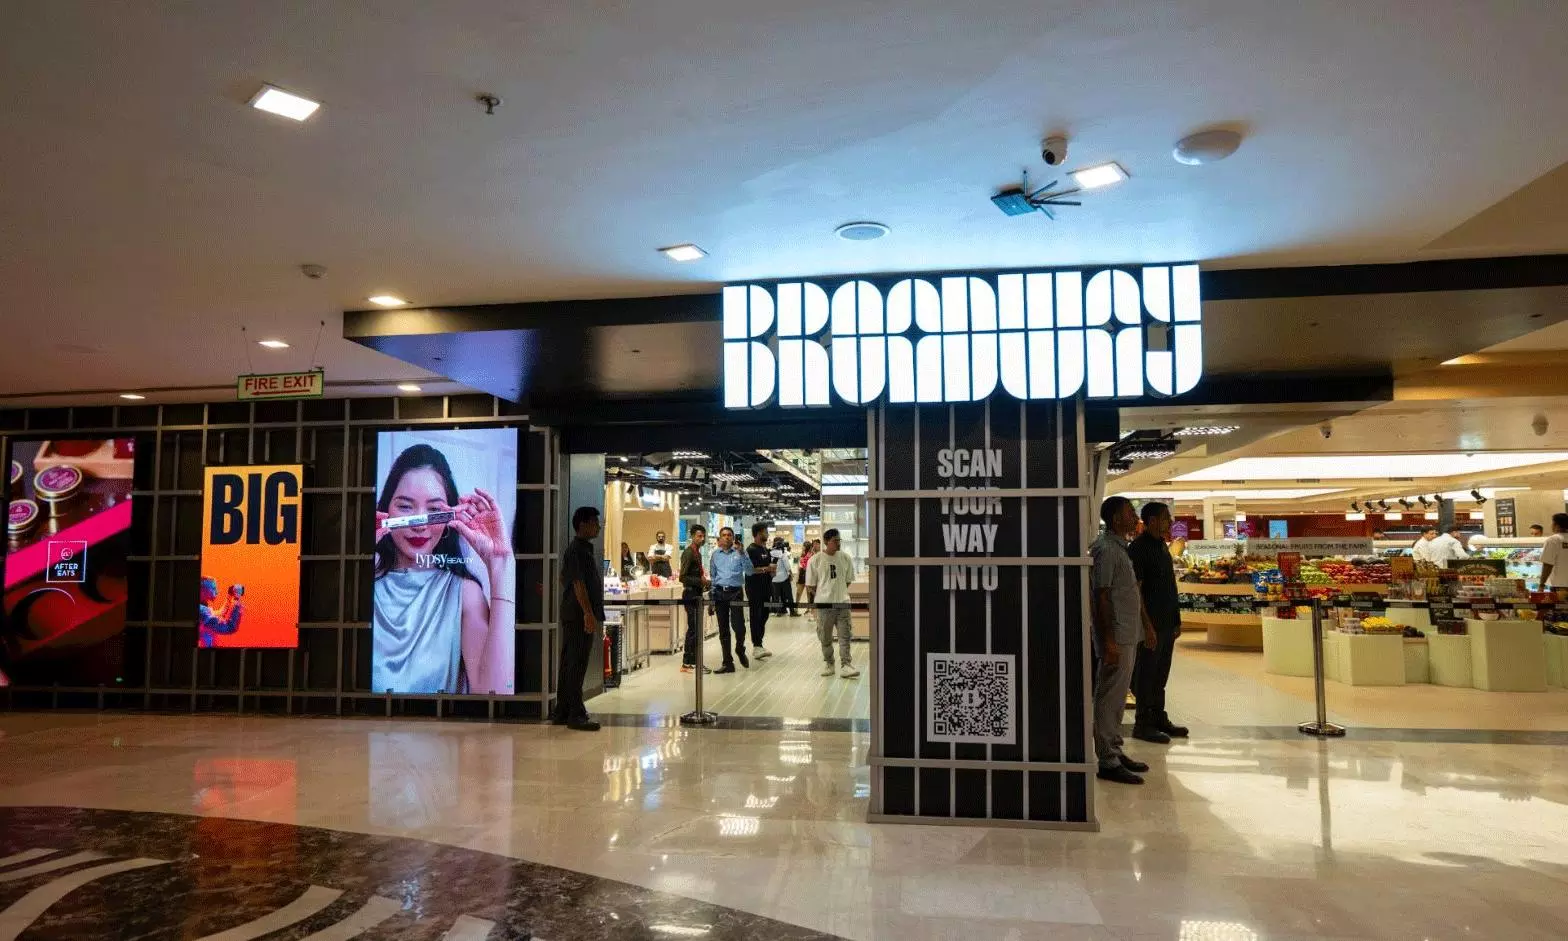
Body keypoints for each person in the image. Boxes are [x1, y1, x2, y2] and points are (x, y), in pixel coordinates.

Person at [372, 444, 515, 695]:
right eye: (405, 506)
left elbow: (496, 694)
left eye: (435, 510)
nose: (420, 524)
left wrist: (501, 564)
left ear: (449, 516)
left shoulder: (464, 594)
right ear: (386, 510)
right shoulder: (366, 586)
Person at [1090, 496, 1157, 785]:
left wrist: (1146, 626)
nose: (1135, 517)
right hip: (1117, 635)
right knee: (1109, 697)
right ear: (1116, 518)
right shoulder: (1106, 549)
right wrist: (1108, 640)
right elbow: (1101, 595)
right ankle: (1107, 759)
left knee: (1117, 698)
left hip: (1128, 632)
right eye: (1130, 512)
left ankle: (1115, 750)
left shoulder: (1120, 548)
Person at [1128, 502, 1187, 744]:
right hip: (1150, 624)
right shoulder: (1138, 549)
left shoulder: (1162, 546)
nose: (1170, 522)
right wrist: (1147, 626)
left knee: (1161, 674)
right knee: (1146, 674)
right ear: (1152, 521)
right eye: (1165, 518)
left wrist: (1176, 620)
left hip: (1166, 623)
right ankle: (1143, 723)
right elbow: (1137, 590)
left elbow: (1169, 586)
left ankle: (1158, 717)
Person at [553, 506, 604, 731]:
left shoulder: (581, 550)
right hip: (578, 615)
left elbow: (564, 577)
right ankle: (576, 714)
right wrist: (587, 613)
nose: (598, 527)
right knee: (576, 663)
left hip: (574, 612)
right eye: (594, 523)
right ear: (582, 525)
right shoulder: (577, 551)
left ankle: (563, 711)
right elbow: (577, 583)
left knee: (569, 662)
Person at [806, 529, 860, 678]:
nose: (838, 543)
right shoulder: (815, 560)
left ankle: (846, 665)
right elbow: (810, 585)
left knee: (845, 636)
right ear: (826, 541)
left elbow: (847, 581)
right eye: (835, 540)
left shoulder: (845, 558)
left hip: (843, 603)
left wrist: (839, 592)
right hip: (824, 606)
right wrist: (824, 594)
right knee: (825, 637)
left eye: (839, 540)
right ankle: (829, 663)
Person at [707, 526, 754, 673]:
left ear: (733, 538)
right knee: (723, 629)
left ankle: (740, 649)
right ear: (720, 538)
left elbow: (750, 571)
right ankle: (727, 663)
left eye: (729, 535)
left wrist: (743, 553)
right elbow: (713, 577)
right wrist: (712, 599)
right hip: (720, 593)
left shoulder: (740, 553)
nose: (727, 537)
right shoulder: (715, 555)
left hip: (735, 593)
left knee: (739, 626)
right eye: (724, 535)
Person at [678, 525, 712, 674]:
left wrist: (704, 582)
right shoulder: (689, 553)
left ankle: (692, 661)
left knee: (696, 629)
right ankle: (688, 662)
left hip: (697, 594)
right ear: (692, 536)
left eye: (703, 536)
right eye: (699, 536)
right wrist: (700, 581)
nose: (702, 539)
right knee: (694, 629)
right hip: (690, 594)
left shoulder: (697, 552)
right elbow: (682, 577)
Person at [744, 523, 778, 660]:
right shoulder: (751, 550)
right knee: (755, 616)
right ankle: (756, 645)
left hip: (766, 588)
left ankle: (760, 644)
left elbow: (769, 569)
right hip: (754, 588)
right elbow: (750, 570)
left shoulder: (765, 549)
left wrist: (772, 571)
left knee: (764, 615)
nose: (767, 534)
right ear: (758, 533)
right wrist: (766, 569)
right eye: (765, 532)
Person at [198, 578, 244, 648]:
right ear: (203, 591)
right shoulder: (202, 611)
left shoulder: (202, 609)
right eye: (213, 588)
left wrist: (229, 596)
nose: (217, 592)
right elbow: (229, 627)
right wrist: (237, 600)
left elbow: (219, 614)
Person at [1539, 513, 1568, 589]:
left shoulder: (1553, 540)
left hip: (1559, 586)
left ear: (1556, 525)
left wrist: (1541, 584)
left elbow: (1548, 565)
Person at [771, 538, 797, 616]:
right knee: (789, 595)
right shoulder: (783, 553)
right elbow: (787, 566)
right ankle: (792, 611)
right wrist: (791, 574)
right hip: (784, 578)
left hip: (774, 578)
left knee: (776, 596)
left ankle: (778, 611)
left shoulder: (770, 553)